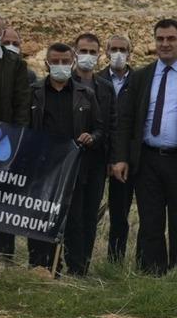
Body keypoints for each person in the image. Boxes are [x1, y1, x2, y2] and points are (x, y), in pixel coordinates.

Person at [112, 19, 177, 274]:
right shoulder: (142, 76)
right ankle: (151, 274)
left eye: (170, 39)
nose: (165, 44)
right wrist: (121, 157)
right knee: (150, 221)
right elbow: (126, 119)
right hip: (147, 160)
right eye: (160, 39)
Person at [27, 43, 104, 272]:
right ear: (47, 64)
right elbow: (23, 126)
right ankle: (41, 266)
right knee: (40, 219)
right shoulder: (34, 92)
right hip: (42, 170)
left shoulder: (86, 94)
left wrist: (92, 137)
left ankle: (77, 270)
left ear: (73, 63)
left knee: (74, 221)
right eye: (56, 61)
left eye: (65, 61)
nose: (60, 66)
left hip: (73, 168)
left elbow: (100, 129)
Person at [0, 11, 31, 258]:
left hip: (2, 147)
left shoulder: (15, 65)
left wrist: (18, 142)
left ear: (3, 33)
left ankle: (1, 260)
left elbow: (22, 106)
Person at [71, 33, 115, 273]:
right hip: (68, 161)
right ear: (74, 52)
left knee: (90, 214)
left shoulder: (105, 88)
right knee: (71, 214)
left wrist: (112, 158)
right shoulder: (63, 82)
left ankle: (83, 265)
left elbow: (112, 124)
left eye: (92, 52)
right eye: (82, 51)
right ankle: (67, 260)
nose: (87, 56)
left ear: (99, 55)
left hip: (96, 160)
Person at [98, 34, 134, 262]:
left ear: (130, 52)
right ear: (106, 51)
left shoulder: (139, 80)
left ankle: (115, 259)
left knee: (120, 213)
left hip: (125, 158)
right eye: (114, 49)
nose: (118, 53)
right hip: (98, 153)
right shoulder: (96, 79)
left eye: (123, 49)